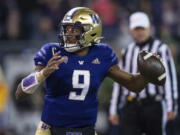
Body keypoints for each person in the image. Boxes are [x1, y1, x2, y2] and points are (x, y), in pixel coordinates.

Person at [15, 8, 161, 135]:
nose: (68, 34)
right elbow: (20, 93)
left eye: (75, 30)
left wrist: (147, 73)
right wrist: (43, 74)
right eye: (67, 29)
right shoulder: (52, 51)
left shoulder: (102, 54)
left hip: (86, 129)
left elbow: (133, 85)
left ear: (91, 31)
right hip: (51, 128)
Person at [109, 12, 178, 135]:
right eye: (136, 29)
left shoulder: (161, 48)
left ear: (149, 28)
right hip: (131, 106)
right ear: (131, 30)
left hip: (153, 105)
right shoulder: (127, 51)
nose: (140, 32)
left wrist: (171, 105)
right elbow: (120, 82)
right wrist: (114, 108)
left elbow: (169, 78)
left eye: (142, 28)